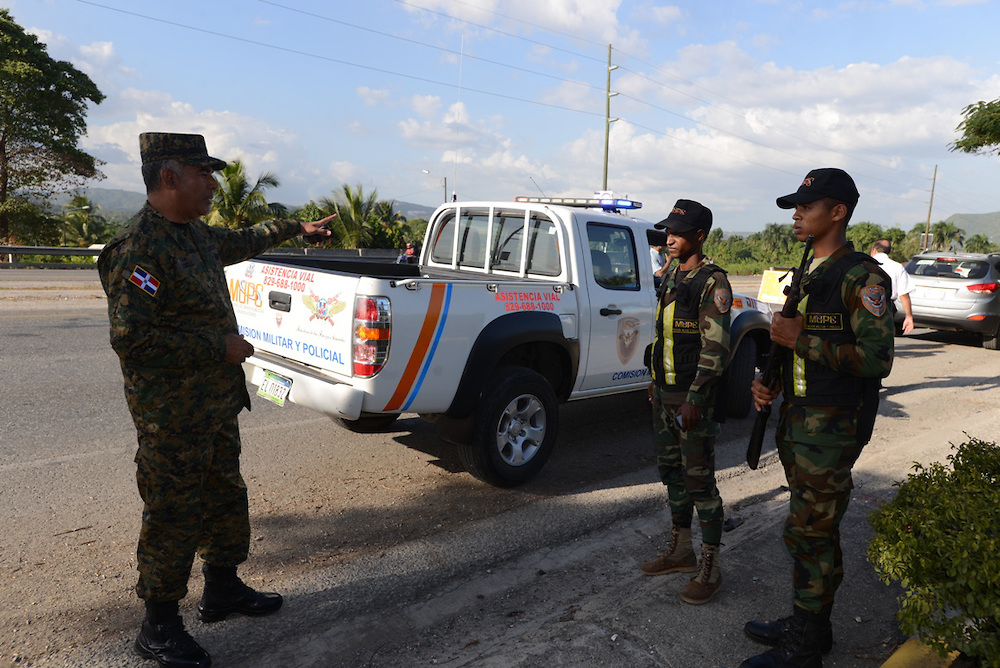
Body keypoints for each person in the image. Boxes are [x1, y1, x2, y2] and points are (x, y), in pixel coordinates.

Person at [98, 132, 335, 668]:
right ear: (169, 177)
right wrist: (218, 346)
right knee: (173, 510)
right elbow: (133, 342)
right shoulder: (138, 250)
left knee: (224, 492)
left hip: (215, 404)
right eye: (203, 173)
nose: (213, 183)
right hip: (171, 416)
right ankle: (157, 625)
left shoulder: (197, 236)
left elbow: (248, 238)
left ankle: (222, 588)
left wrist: (299, 227)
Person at [741, 169, 894, 667]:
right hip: (801, 425)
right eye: (795, 206)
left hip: (832, 431)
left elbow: (877, 359)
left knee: (808, 533)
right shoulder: (812, 272)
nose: (796, 214)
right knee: (815, 532)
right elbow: (805, 356)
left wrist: (795, 340)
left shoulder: (863, 277)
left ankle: (804, 648)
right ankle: (813, 626)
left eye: (807, 206)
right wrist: (774, 380)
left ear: (838, 212)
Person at [640, 199, 731, 606]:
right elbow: (664, 337)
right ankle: (680, 551)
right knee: (672, 475)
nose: (670, 238)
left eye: (678, 232)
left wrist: (694, 398)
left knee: (699, 483)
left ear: (699, 235)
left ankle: (710, 568)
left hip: (692, 402)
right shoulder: (672, 274)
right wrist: (654, 382)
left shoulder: (713, 282)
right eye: (668, 232)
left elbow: (715, 349)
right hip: (664, 394)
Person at [870, 239, 914, 334]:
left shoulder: (865, 264)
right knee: (884, 338)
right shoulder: (897, 267)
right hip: (887, 307)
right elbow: (903, 294)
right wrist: (909, 316)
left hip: (866, 304)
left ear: (874, 250)